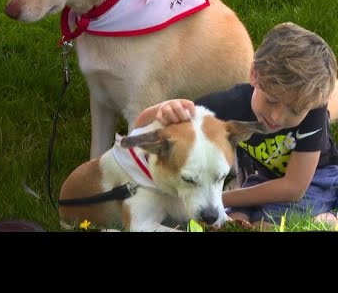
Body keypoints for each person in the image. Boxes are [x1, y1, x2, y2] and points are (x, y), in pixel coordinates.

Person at [133, 22, 338, 228]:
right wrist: (163, 110)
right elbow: (140, 128)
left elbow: (293, 188)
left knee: (266, 225)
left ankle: (326, 220)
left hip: (317, 181)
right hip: (260, 181)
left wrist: (221, 199)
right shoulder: (227, 106)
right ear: (254, 74)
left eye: (293, 111)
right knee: (233, 222)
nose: (276, 117)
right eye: (271, 100)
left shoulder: (312, 110)